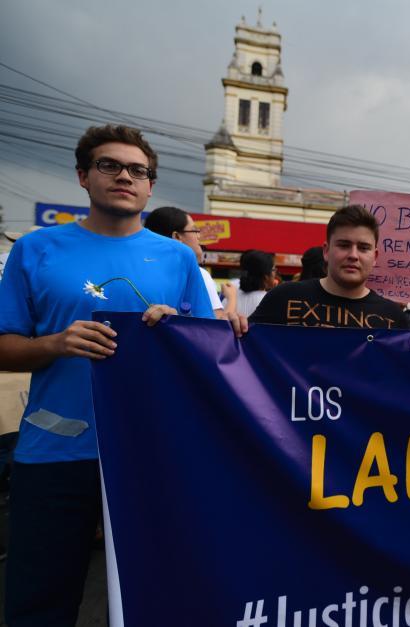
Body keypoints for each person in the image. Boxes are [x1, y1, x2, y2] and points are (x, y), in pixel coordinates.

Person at [0, 124, 245, 626]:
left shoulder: (179, 258)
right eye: (109, 165)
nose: (124, 176)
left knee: (155, 596)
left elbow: (206, 353)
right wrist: (54, 343)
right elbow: (5, 347)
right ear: (84, 176)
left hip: (152, 452)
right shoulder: (36, 249)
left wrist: (179, 332)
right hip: (54, 452)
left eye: (138, 170)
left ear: (150, 186)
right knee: (38, 600)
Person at [250, 205, 410, 339]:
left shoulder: (394, 318)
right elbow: (239, 352)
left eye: (363, 248)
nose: (353, 255)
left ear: (375, 256)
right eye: (344, 245)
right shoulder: (283, 297)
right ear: (326, 251)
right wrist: (231, 326)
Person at [143, 206, 236, 319]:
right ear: (177, 237)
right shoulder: (197, 273)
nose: (199, 236)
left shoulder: (142, 268)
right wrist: (231, 298)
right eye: (195, 230)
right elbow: (215, 325)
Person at [225, 249, 278, 318]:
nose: (276, 272)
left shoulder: (228, 298)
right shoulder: (270, 301)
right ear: (266, 276)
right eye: (274, 269)